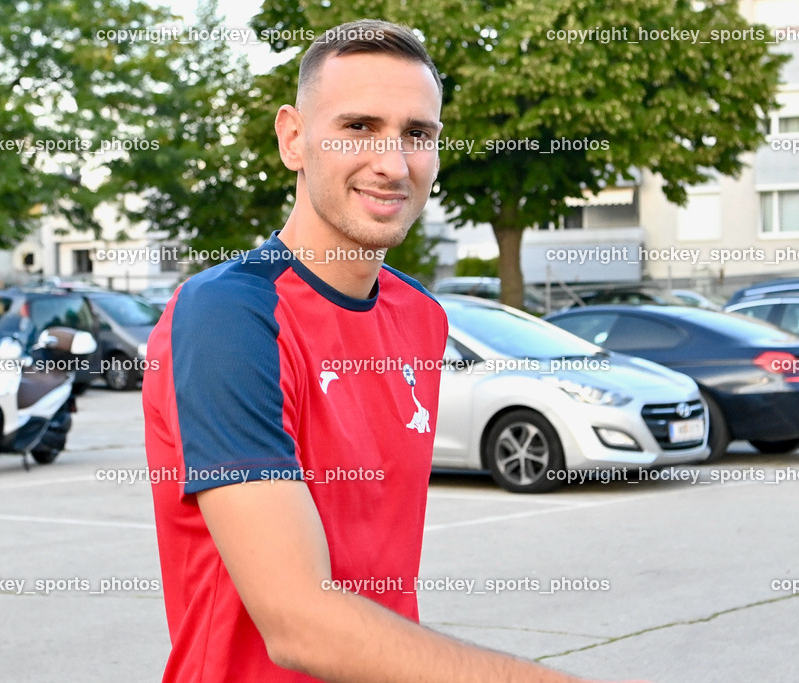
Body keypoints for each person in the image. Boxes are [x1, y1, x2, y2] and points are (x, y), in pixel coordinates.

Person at [143, 19, 647, 683]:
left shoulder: (421, 317)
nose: (393, 162)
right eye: (358, 127)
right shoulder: (229, 316)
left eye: (418, 134)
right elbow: (300, 621)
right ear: (294, 138)